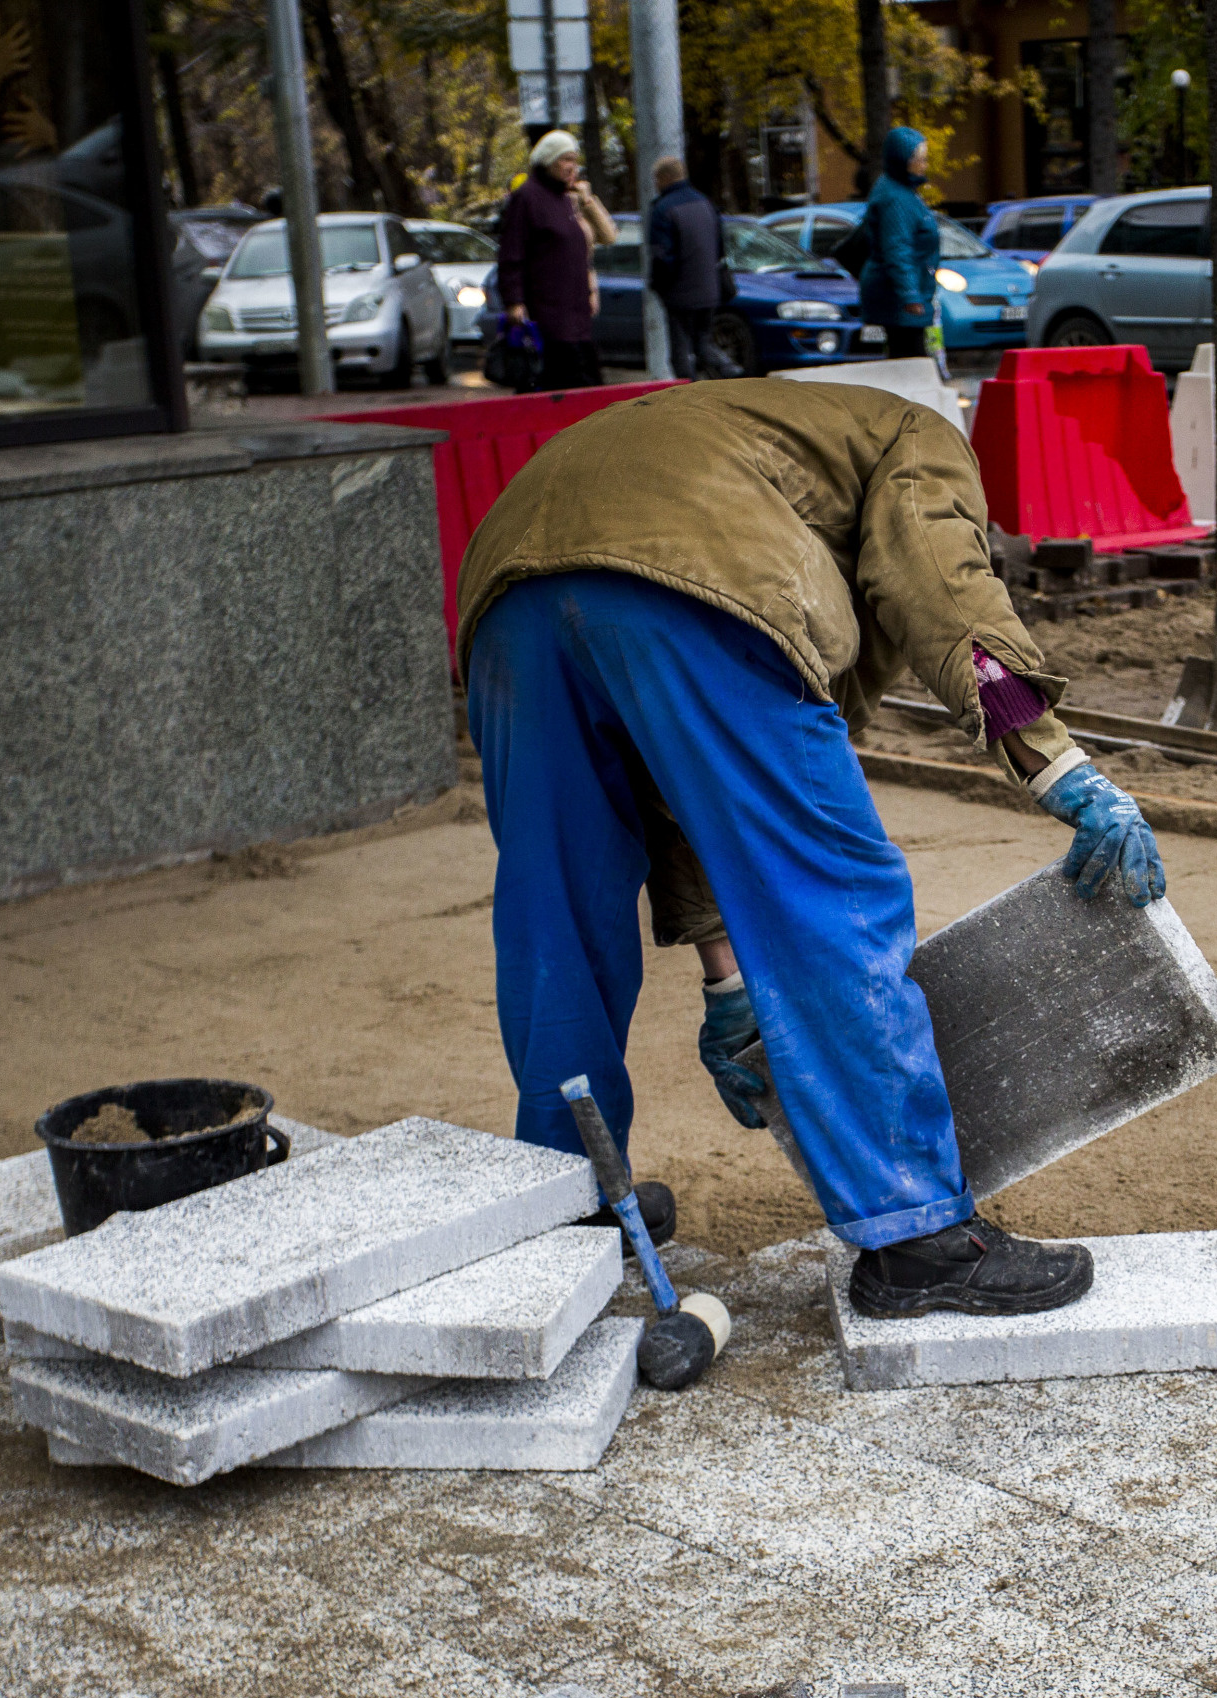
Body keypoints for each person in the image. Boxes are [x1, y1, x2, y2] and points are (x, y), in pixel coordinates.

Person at [454, 379, 1166, 1318]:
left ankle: (563, 1205)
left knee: (556, 926)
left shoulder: (727, 428)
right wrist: (1053, 762)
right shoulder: (919, 433)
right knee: (833, 899)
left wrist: (727, 980)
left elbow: (686, 788)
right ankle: (919, 1240)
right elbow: (942, 583)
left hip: (507, 598)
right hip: (702, 575)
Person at [497, 129, 615, 390]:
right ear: (548, 161)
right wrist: (514, 300)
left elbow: (605, 237)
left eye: (574, 160)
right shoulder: (527, 198)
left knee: (586, 380)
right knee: (563, 380)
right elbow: (511, 253)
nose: (572, 167)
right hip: (548, 312)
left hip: (577, 310)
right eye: (565, 160)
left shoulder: (566, 199)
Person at [852, 126, 945, 368]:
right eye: (920, 159)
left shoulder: (902, 190)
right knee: (911, 363)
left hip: (902, 295)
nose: (924, 165)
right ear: (903, 160)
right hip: (898, 300)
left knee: (907, 358)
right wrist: (910, 296)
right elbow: (898, 250)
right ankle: (910, 406)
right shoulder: (896, 198)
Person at [646, 157, 734, 380]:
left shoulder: (663, 209)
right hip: (709, 289)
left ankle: (689, 397)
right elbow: (720, 247)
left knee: (680, 352)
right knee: (703, 343)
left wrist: (659, 286)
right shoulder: (705, 203)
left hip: (679, 293)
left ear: (665, 178)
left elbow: (662, 257)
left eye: (656, 179)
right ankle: (728, 373)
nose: (656, 184)